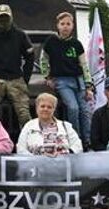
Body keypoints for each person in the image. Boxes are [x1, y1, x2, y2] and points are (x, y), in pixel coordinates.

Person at [17, 92, 84, 209]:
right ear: (36, 108)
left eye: (49, 106)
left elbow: (78, 146)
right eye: (42, 106)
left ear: (54, 109)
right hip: (38, 180)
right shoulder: (28, 127)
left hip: (63, 180)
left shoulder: (65, 126)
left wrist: (63, 155)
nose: (45, 109)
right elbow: (20, 149)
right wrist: (38, 160)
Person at [40, 11, 94, 143]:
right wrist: (47, 77)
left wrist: (88, 84)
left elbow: (84, 65)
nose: (65, 26)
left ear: (72, 26)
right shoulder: (51, 42)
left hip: (79, 80)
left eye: (68, 24)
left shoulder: (77, 44)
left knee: (85, 110)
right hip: (62, 81)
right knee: (73, 108)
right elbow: (43, 59)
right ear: (57, 26)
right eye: (62, 24)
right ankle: (75, 139)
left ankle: (87, 140)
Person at [0, 4, 34, 126]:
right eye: (1, 18)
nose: (4, 20)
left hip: (16, 79)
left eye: (6, 17)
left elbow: (30, 56)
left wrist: (25, 78)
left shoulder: (20, 35)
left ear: (11, 17)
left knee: (25, 115)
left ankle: (28, 143)